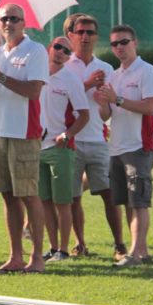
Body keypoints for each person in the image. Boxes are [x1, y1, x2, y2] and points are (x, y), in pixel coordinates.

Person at [0, 3, 49, 274]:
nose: (8, 23)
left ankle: (37, 258)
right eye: (4, 19)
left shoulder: (35, 51)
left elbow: (33, 91)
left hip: (24, 133)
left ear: (23, 23)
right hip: (0, 132)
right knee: (7, 196)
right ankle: (15, 256)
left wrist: (1, 76)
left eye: (14, 19)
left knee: (29, 195)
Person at [63, 13, 127, 261]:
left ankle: (120, 244)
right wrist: (88, 84)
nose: (85, 37)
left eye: (90, 32)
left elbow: (106, 111)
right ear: (71, 36)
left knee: (109, 194)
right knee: (73, 197)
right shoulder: (65, 67)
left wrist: (104, 102)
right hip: (72, 140)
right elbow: (62, 101)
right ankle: (80, 243)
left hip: (98, 140)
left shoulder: (107, 68)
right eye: (80, 32)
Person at [97, 25, 153, 268]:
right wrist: (102, 102)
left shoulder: (147, 71)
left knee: (139, 201)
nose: (119, 48)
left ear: (135, 42)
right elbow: (106, 115)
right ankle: (141, 252)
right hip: (117, 147)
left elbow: (148, 107)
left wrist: (118, 99)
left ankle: (134, 253)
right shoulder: (114, 76)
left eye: (124, 42)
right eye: (114, 44)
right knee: (126, 201)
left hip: (139, 145)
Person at [39, 36, 90, 262]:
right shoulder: (37, 74)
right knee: (45, 202)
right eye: (57, 47)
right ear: (49, 48)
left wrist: (67, 135)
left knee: (63, 201)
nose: (60, 52)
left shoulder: (70, 79)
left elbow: (84, 115)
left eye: (66, 51)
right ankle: (52, 247)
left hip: (60, 147)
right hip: (35, 147)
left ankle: (63, 249)